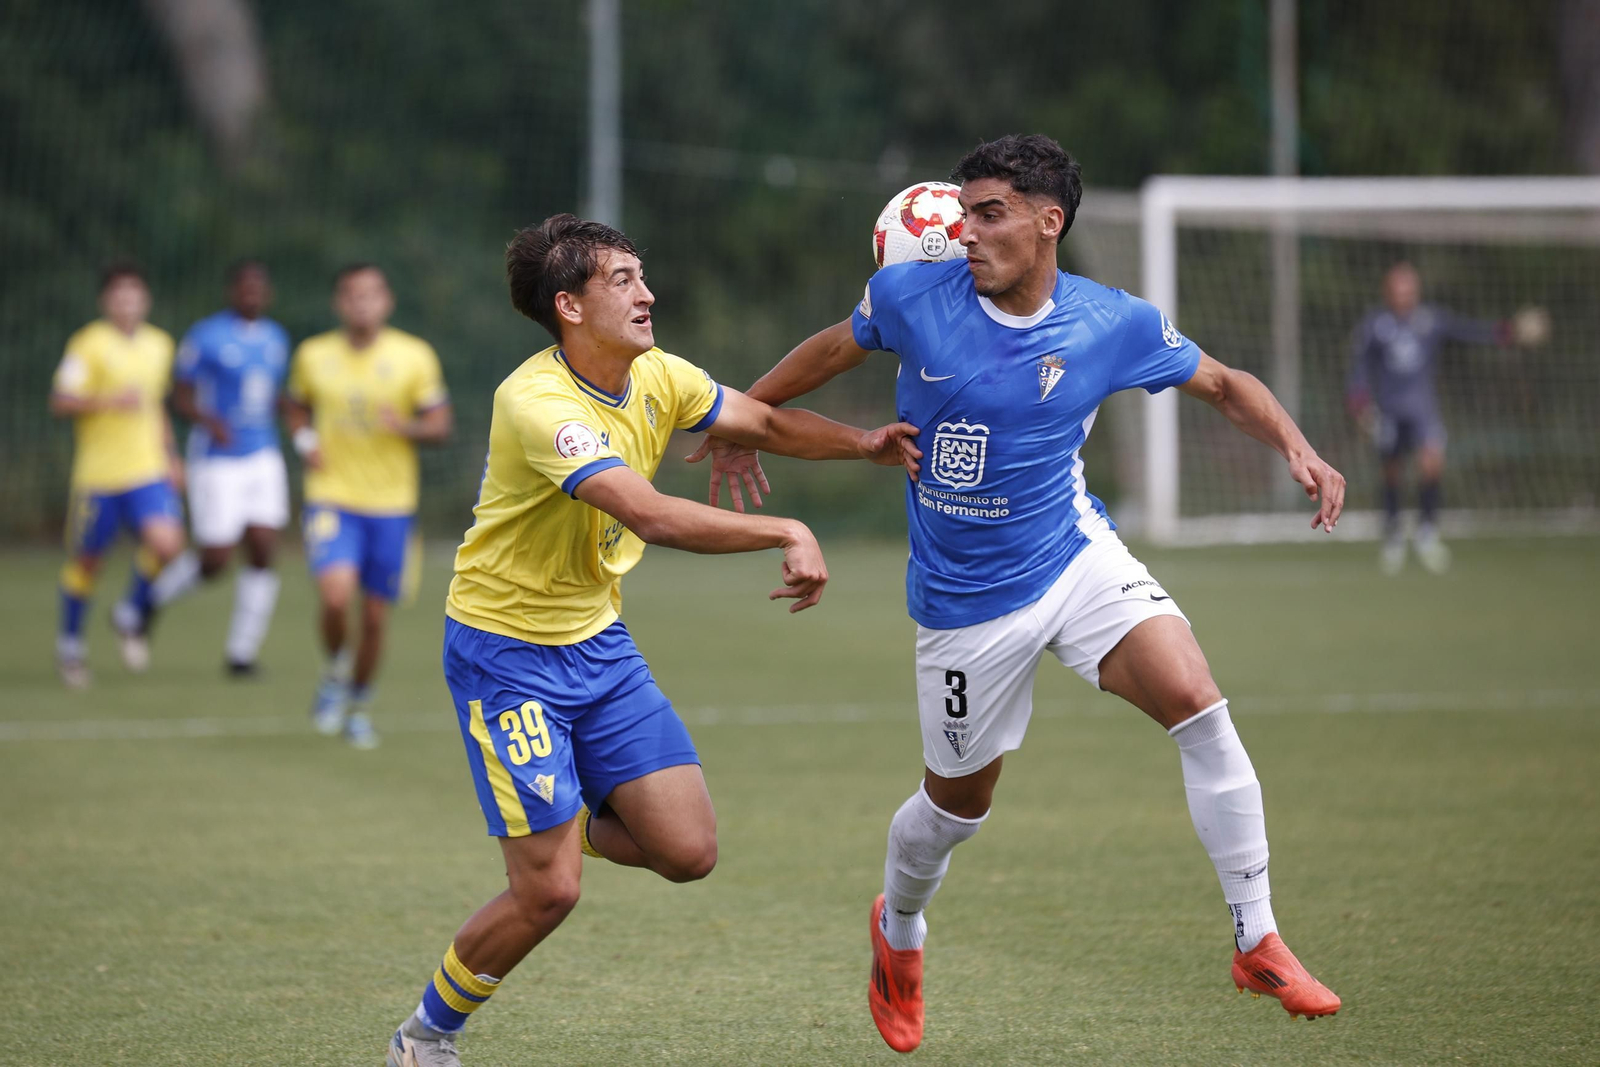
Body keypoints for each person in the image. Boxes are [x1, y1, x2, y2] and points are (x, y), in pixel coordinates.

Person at [689, 135, 1348, 1052]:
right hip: (965, 602)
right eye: (963, 214)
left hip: (1075, 556)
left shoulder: (1109, 322)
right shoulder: (912, 297)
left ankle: (1256, 934)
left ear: (1050, 222)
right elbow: (829, 350)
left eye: (989, 213)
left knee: (1199, 704)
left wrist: (1298, 447)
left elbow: (1224, 383)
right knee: (957, 806)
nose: (967, 232)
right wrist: (741, 421)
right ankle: (901, 927)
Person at [384, 214, 917, 1067]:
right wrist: (784, 527)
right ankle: (424, 1036)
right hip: (506, 654)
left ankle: (572, 815)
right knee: (550, 891)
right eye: (624, 280)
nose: (648, 293)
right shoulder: (538, 403)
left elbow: (763, 424)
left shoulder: (659, 376)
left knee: (688, 851)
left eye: (643, 275)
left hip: (597, 641)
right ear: (569, 305)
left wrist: (866, 445)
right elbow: (647, 511)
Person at [286, 264, 453, 748]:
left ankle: (357, 704)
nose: (362, 304)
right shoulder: (313, 355)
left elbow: (440, 425)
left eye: (371, 295)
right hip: (331, 496)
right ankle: (336, 668)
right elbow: (295, 405)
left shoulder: (413, 356)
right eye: (352, 296)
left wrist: (407, 428)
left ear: (387, 302)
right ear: (340, 303)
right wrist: (303, 440)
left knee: (376, 616)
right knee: (336, 598)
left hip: (392, 506)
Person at [1346, 261, 1544, 575]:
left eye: (1409, 287)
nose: (1404, 294)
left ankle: (1427, 533)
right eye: (1398, 288)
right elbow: (1359, 367)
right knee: (1392, 473)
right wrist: (1358, 402)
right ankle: (1394, 536)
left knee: (1431, 463)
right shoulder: (1375, 325)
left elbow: (1468, 331)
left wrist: (1506, 332)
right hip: (1389, 411)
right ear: (1388, 291)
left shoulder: (1430, 320)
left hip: (1423, 410)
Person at [49, 262, 187, 688]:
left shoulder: (160, 344)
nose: (127, 302)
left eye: (135, 294)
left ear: (145, 300)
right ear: (105, 301)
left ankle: (129, 612)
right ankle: (71, 645)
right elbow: (62, 400)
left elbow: (155, 405)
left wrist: (171, 456)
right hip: (99, 476)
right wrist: (107, 400)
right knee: (88, 562)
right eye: (119, 294)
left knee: (168, 544)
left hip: (147, 468)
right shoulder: (88, 344)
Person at [153, 260, 292, 674]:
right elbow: (179, 398)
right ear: (232, 292)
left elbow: (269, 394)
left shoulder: (276, 338)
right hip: (217, 458)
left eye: (259, 287)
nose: (252, 294)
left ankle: (241, 654)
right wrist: (209, 421)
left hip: (263, 453)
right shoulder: (206, 336)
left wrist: (288, 410)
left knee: (265, 546)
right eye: (244, 287)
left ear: (267, 294)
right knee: (215, 558)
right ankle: (147, 602)